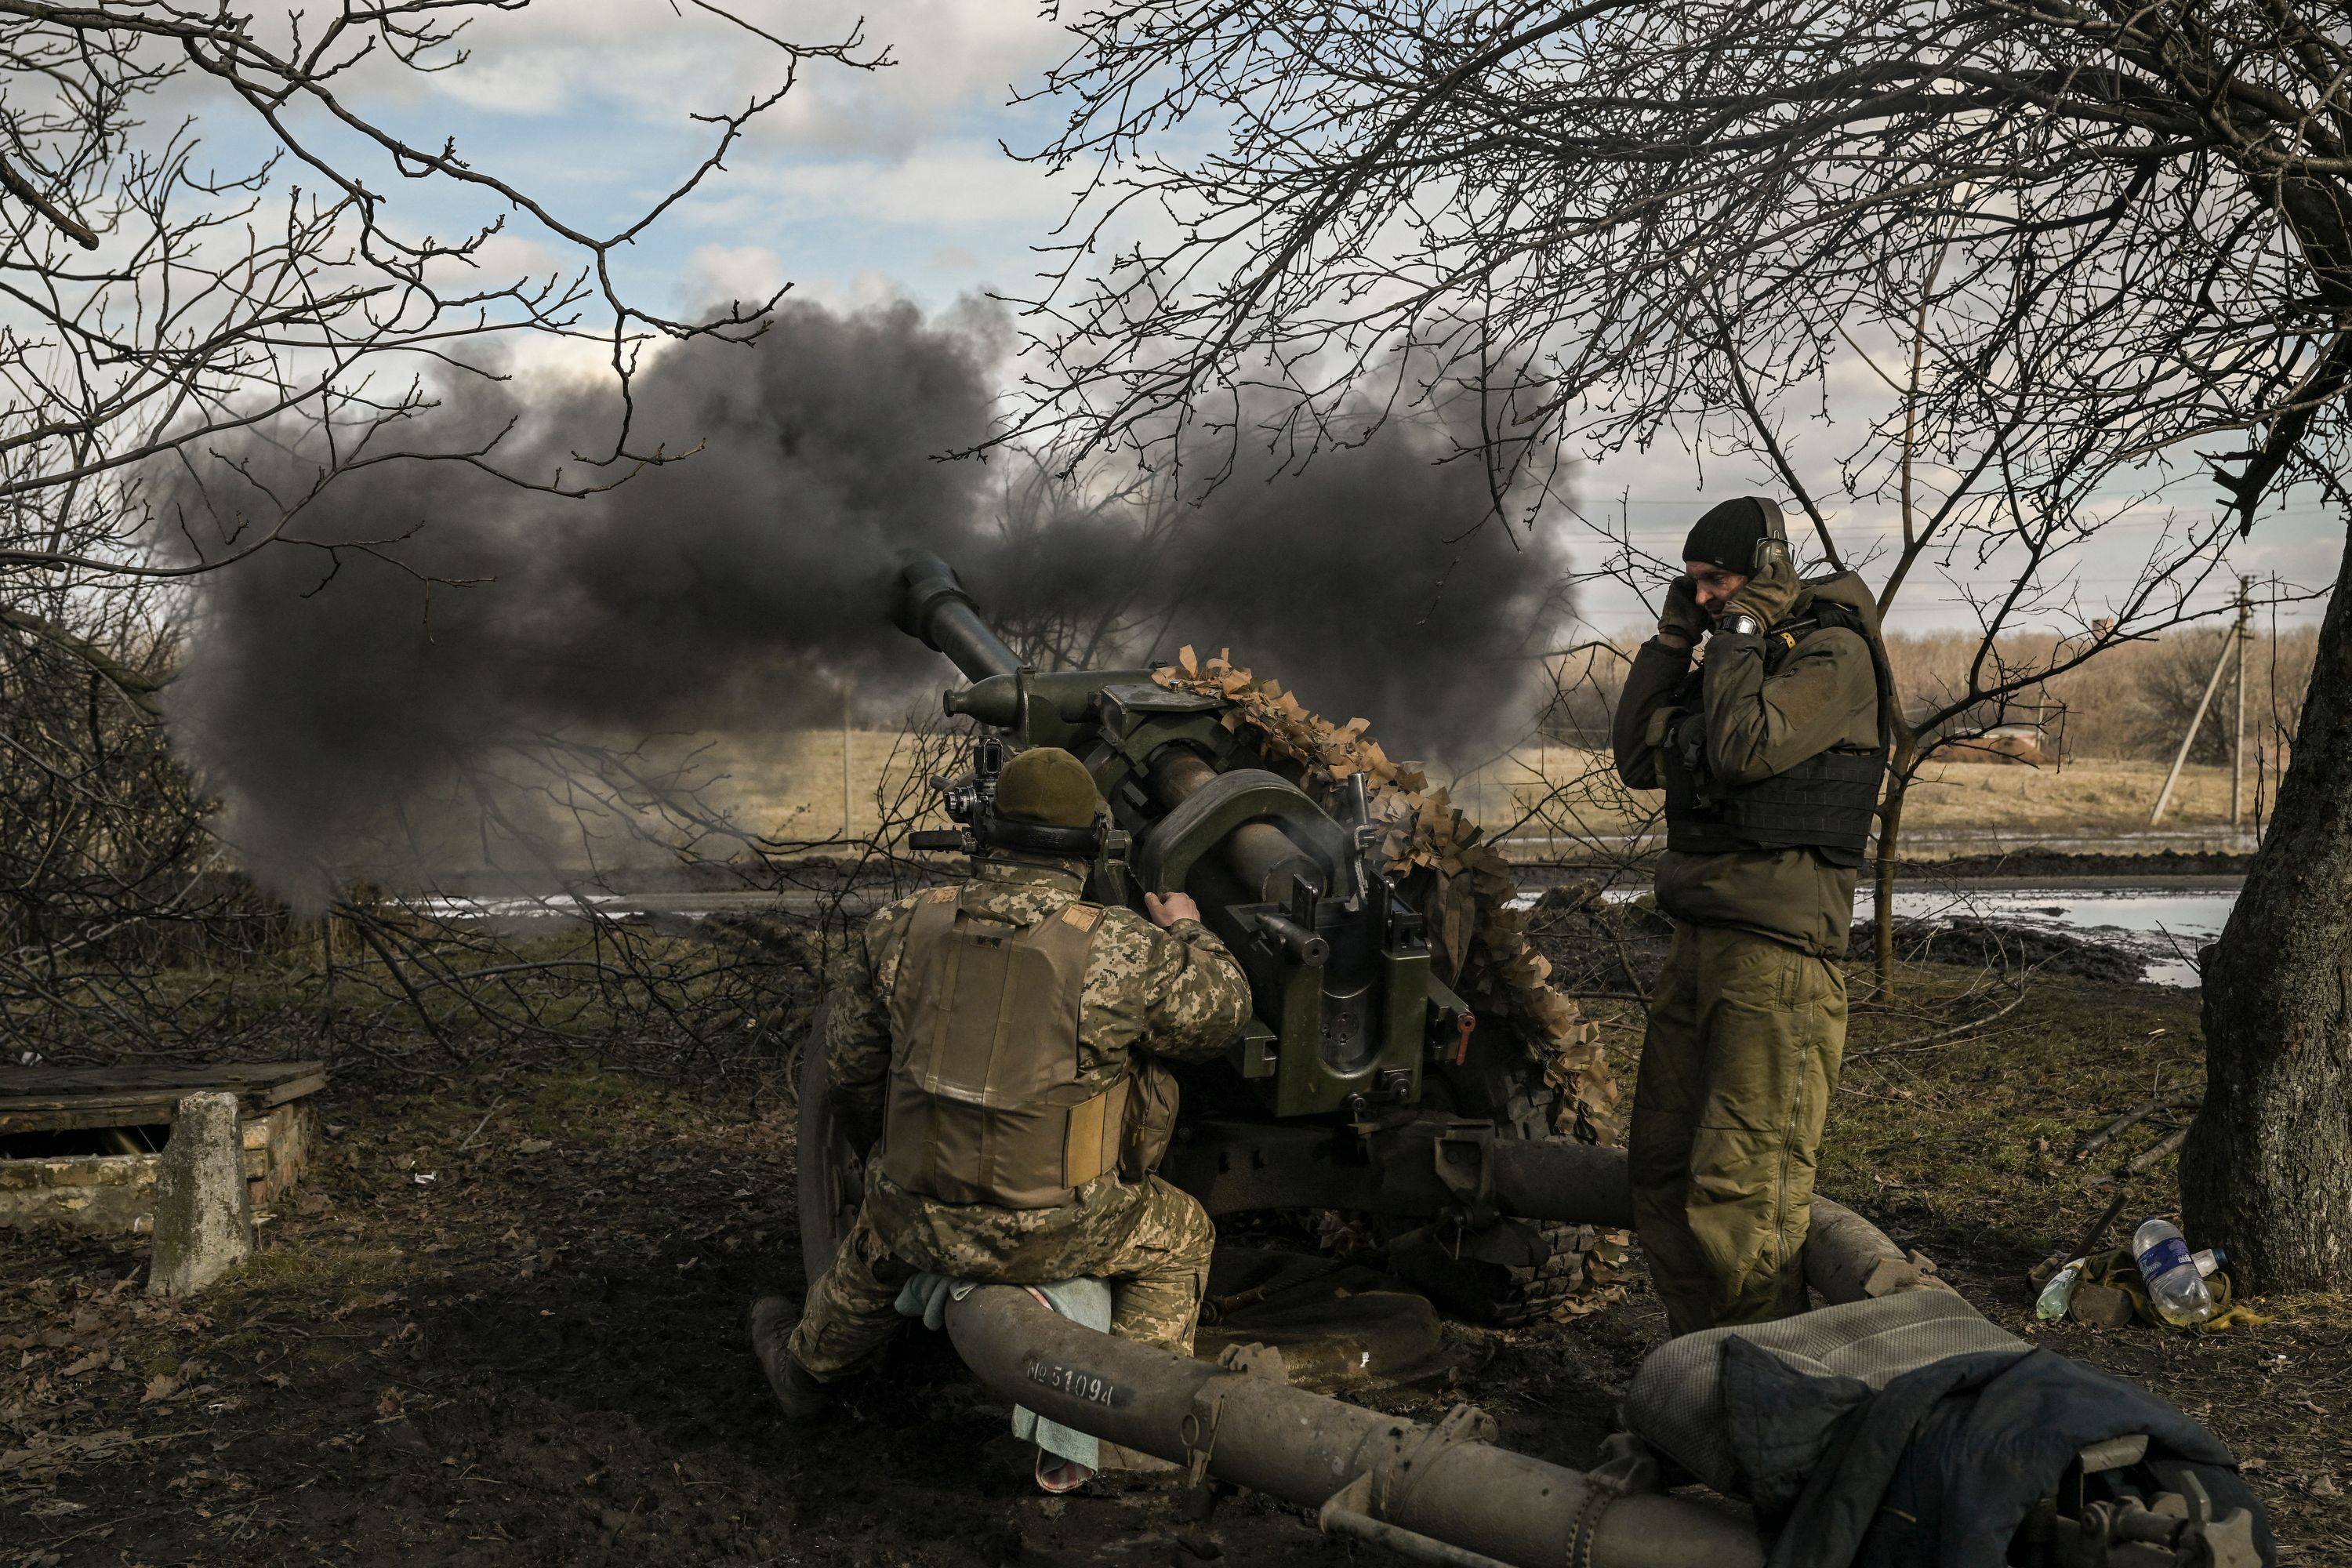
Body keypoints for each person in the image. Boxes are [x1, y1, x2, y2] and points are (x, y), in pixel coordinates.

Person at [750, 744, 1254, 1429]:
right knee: (1183, 1233)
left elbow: (849, 1072)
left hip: (920, 1215)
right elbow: (1222, 1016)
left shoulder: (900, 927)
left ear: (987, 834)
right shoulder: (1124, 948)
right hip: (1065, 1229)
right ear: (1093, 842)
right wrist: (1189, 925)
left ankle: (806, 1371)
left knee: (882, 1226)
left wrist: (907, 1158)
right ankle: (1137, 1417)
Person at [1610, 496, 1889, 1337]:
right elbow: (1634, 756)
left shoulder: (1832, 655)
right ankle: (1697, 1377)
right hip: (1699, 945)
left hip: (1779, 965)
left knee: (1744, 1192)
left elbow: (1740, 748)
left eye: (1716, 580)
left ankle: (1761, 1395)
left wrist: (1731, 638)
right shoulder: (1737, 658)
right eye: (1691, 584)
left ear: (1767, 574)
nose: (1702, 599)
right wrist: (1670, 647)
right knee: (1660, 1170)